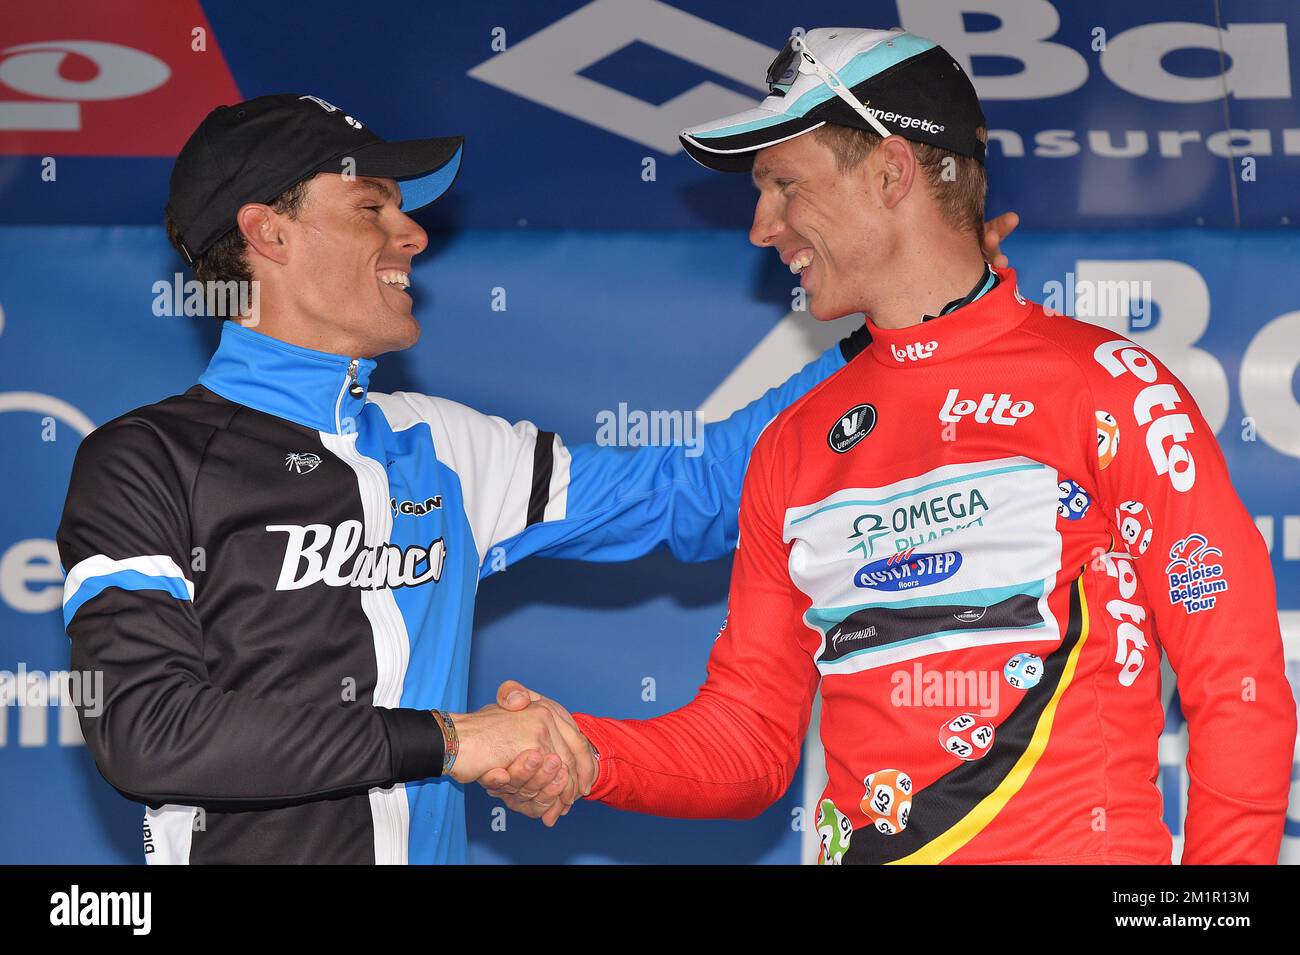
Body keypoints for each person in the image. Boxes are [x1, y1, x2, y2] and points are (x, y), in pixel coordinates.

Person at [55, 90, 1017, 864]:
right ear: (267, 234)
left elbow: (693, 489)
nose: (413, 234)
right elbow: (149, 734)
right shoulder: (144, 460)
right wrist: (451, 739)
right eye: (371, 207)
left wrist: (895, 333)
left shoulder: (441, 445)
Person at [486, 28, 1296, 864]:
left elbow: (1236, 682)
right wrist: (584, 753)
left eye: (783, 185)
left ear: (891, 170)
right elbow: (750, 740)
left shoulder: (1107, 385)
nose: (762, 228)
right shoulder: (795, 441)